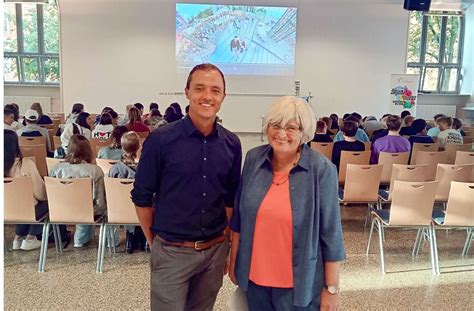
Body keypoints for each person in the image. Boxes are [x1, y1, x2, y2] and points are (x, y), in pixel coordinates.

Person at [131, 63, 242, 310]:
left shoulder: (232, 144)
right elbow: (142, 197)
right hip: (171, 251)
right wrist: (155, 242)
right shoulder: (161, 140)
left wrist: (225, 246)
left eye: (215, 90)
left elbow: (229, 200)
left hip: (214, 252)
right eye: (200, 88)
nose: (207, 96)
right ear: (187, 92)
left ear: (223, 96)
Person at [229, 96, 345, 310]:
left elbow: (331, 234)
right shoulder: (254, 159)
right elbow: (239, 218)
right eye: (275, 125)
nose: (281, 134)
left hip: (298, 286)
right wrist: (234, 261)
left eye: (291, 127)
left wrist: (331, 288)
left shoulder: (321, 170)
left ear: (304, 132)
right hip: (255, 281)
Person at [4, 130, 69, 250]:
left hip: (5, 210)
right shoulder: (25, 164)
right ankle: (30, 237)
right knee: (47, 201)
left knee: (21, 205)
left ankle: (17, 238)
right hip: (27, 209)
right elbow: (40, 192)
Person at [49, 134, 112, 247]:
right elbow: (100, 200)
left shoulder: (56, 169)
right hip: (88, 210)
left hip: (59, 209)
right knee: (91, 205)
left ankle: (82, 237)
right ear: (88, 150)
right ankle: (81, 237)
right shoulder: (95, 170)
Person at [109, 131, 147, 253]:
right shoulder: (147, 167)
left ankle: (129, 237)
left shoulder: (115, 169)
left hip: (121, 210)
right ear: (139, 147)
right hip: (145, 209)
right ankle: (145, 237)